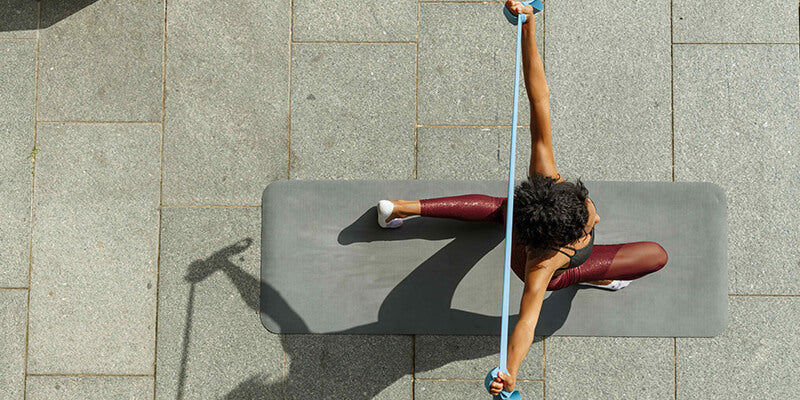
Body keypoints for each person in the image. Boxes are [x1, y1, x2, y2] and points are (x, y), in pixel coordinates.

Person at [376, 0, 669, 396]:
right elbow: (526, 323)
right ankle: (593, 277)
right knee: (656, 256)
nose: (595, 219)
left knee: (505, 209)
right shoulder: (542, 266)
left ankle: (401, 208)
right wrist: (509, 372)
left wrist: (528, 24)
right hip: (551, 267)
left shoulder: (545, 178)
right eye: (587, 225)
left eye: (585, 210)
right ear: (557, 242)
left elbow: (539, 97)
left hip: (526, 225)